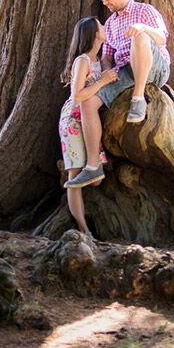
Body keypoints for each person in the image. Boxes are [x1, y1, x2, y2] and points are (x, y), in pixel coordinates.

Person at [66, 0, 170, 190]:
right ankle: (93, 166)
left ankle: (138, 98)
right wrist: (106, 72)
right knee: (88, 103)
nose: (105, 2)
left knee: (139, 36)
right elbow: (107, 55)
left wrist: (142, 28)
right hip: (124, 71)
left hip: (153, 67)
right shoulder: (111, 23)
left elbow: (161, 37)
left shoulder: (145, 10)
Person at [58, 16, 119, 229]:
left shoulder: (99, 60)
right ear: (94, 33)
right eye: (100, 25)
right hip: (73, 121)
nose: (104, 26)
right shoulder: (82, 60)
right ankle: (83, 231)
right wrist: (102, 81)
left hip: (89, 121)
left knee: (96, 180)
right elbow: (77, 95)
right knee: (74, 175)